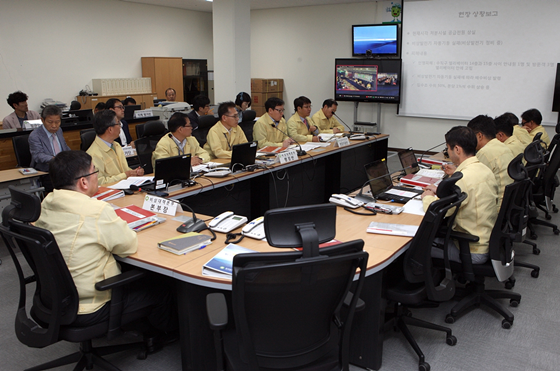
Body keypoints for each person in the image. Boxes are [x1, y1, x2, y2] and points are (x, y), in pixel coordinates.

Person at [35, 150, 177, 333]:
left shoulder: (47, 203)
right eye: (95, 172)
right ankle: (165, 337)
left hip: (56, 299)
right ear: (83, 182)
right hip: (90, 304)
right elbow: (128, 246)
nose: (97, 176)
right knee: (162, 288)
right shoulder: (96, 210)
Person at [422, 126, 498, 264]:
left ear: (457, 149)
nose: (448, 153)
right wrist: (440, 191)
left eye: (448, 150)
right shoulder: (484, 170)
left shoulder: (462, 179)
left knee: (417, 245)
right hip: (486, 240)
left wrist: (427, 196)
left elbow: (439, 213)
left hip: (471, 250)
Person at [466, 115, 513, 208]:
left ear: (479, 136)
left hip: (495, 207)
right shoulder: (502, 146)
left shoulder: (485, 153)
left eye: (471, 136)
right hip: (507, 203)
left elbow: (472, 183)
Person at [87, 110, 144, 185]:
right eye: (118, 123)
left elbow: (124, 170)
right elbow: (99, 182)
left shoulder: (116, 145)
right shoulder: (93, 154)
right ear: (110, 129)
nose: (120, 126)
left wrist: (135, 172)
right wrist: (126, 175)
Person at [29, 105, 71, 172]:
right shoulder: (35, 135)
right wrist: (56, 160)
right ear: (42, 120)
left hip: (63, 168)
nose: (54, 126)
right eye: (50, 122)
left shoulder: (59, 130)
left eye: (57, 122)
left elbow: (64, 147)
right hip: (46, 170)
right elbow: (38, 155)